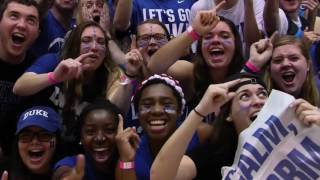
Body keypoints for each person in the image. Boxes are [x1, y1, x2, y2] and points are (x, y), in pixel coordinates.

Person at [150, 72, 320, 179]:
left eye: (262, 94)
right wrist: (200, 111)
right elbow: (159, 176)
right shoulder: (213, 154)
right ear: (229, 115)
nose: (258, 102)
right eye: (245, 96)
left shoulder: (297, 138)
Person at [13, 21, 128, 138]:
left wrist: (130, 75)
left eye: (100, 42)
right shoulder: (54, 61)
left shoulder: (111, 75)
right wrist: (54, 77)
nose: (94, 47)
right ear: (75, 45)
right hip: (45, 139)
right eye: (86, 40)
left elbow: (115, 112)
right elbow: (19, 87)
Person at [148, 3, 245, 121]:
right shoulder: (191, 73)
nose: (215, 41)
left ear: (236, 45)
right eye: (208, 37)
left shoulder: (245, 77)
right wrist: (194, 31)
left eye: (224, 36)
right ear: (200, 48)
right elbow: (153, 67)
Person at [128, 74, 205, 180]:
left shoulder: (201, 134)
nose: (157, 110)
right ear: (138, 113)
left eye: (167, 104)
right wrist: (126, 160)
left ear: (179, 111)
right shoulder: (131, 151)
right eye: (147, 105)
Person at [53, 100, 140, 180]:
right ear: (81, 137)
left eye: (109, 130)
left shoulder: (135, 163)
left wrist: (127, 161)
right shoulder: (72, 164)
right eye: (90, 131)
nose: (100, 138)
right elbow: (62, 172)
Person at [0, 0, 40, 157]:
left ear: (38, 33)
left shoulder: (38, 69)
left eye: (31, 20)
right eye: (14, 16)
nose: (22, 25)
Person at [246, 35, 319, 106]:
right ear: (269, 70)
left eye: (294, 58)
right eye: (278, 60)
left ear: (308, 65)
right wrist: (253, 63)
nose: (285, 64)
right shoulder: (258, 104)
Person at [3, 106, 65, 179]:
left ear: (57, 141)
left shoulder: (71, 172)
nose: (34, 141)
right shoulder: (4, 172)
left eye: (45, 135)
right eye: (26, 136)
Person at [190, 0, 265, 51]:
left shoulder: (255, 2)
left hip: (247, 68)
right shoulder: (199, 8)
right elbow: (197, 53)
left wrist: (248, 5)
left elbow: (255, 45)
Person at [113, 0, 196, 37]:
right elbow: (120, 25)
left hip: (185, 64)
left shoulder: (191, 1)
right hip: (146, 64)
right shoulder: (135, 2)